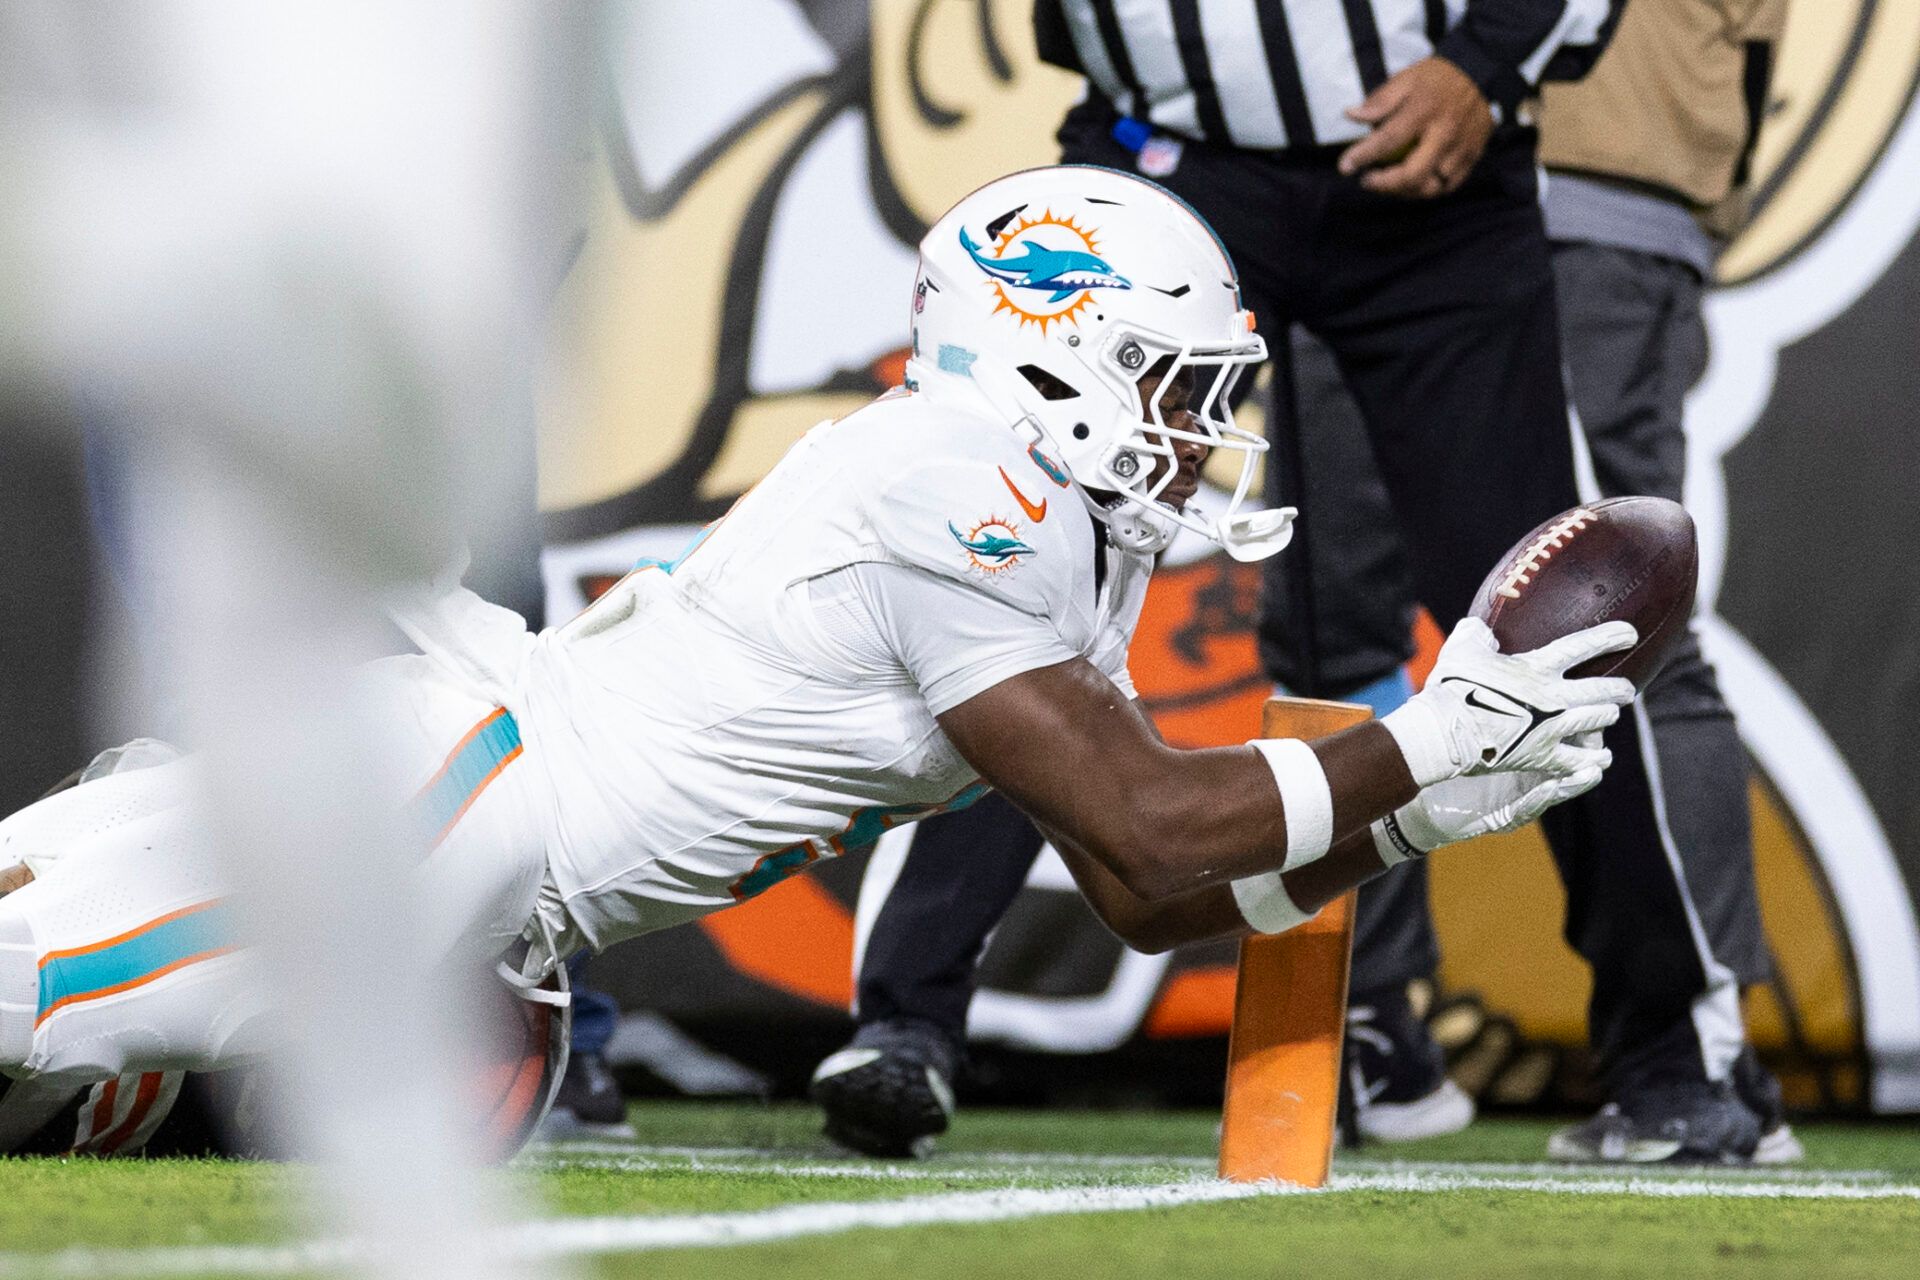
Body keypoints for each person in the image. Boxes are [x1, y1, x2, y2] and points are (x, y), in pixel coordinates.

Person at [0, 166, 1634, 1157]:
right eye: (1176, 387)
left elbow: (1142, 895)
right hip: (467, 786)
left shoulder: (1057, 522)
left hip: (498, 881)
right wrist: (1423, 742)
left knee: (81, 1038)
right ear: (1052, 349)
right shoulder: (955, 478)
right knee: (26, 997)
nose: (1204, 436)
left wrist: (1414, 817)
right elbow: (1148, 822)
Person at [815, 0, 1622, 1156]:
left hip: (1430, 165)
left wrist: (1484, 63)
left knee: (1538, 601)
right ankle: (907, 1018)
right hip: (1164, 153)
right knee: (1024, 567)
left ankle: (1663, 1045)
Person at [1278, 0, 1798, 1164]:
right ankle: (1374, 1018)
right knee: (1328, 609)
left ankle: (1697, 1038)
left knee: (1619, 610)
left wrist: (1687, 172)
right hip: (1361, 178)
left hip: (1587, 180)